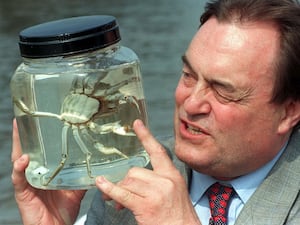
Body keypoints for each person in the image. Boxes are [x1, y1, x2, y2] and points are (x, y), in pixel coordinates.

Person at [11, 0, 300, 224]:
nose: (190, 103)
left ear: (289, 112)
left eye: (223, 90)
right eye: (188, 75)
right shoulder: (127, 171)